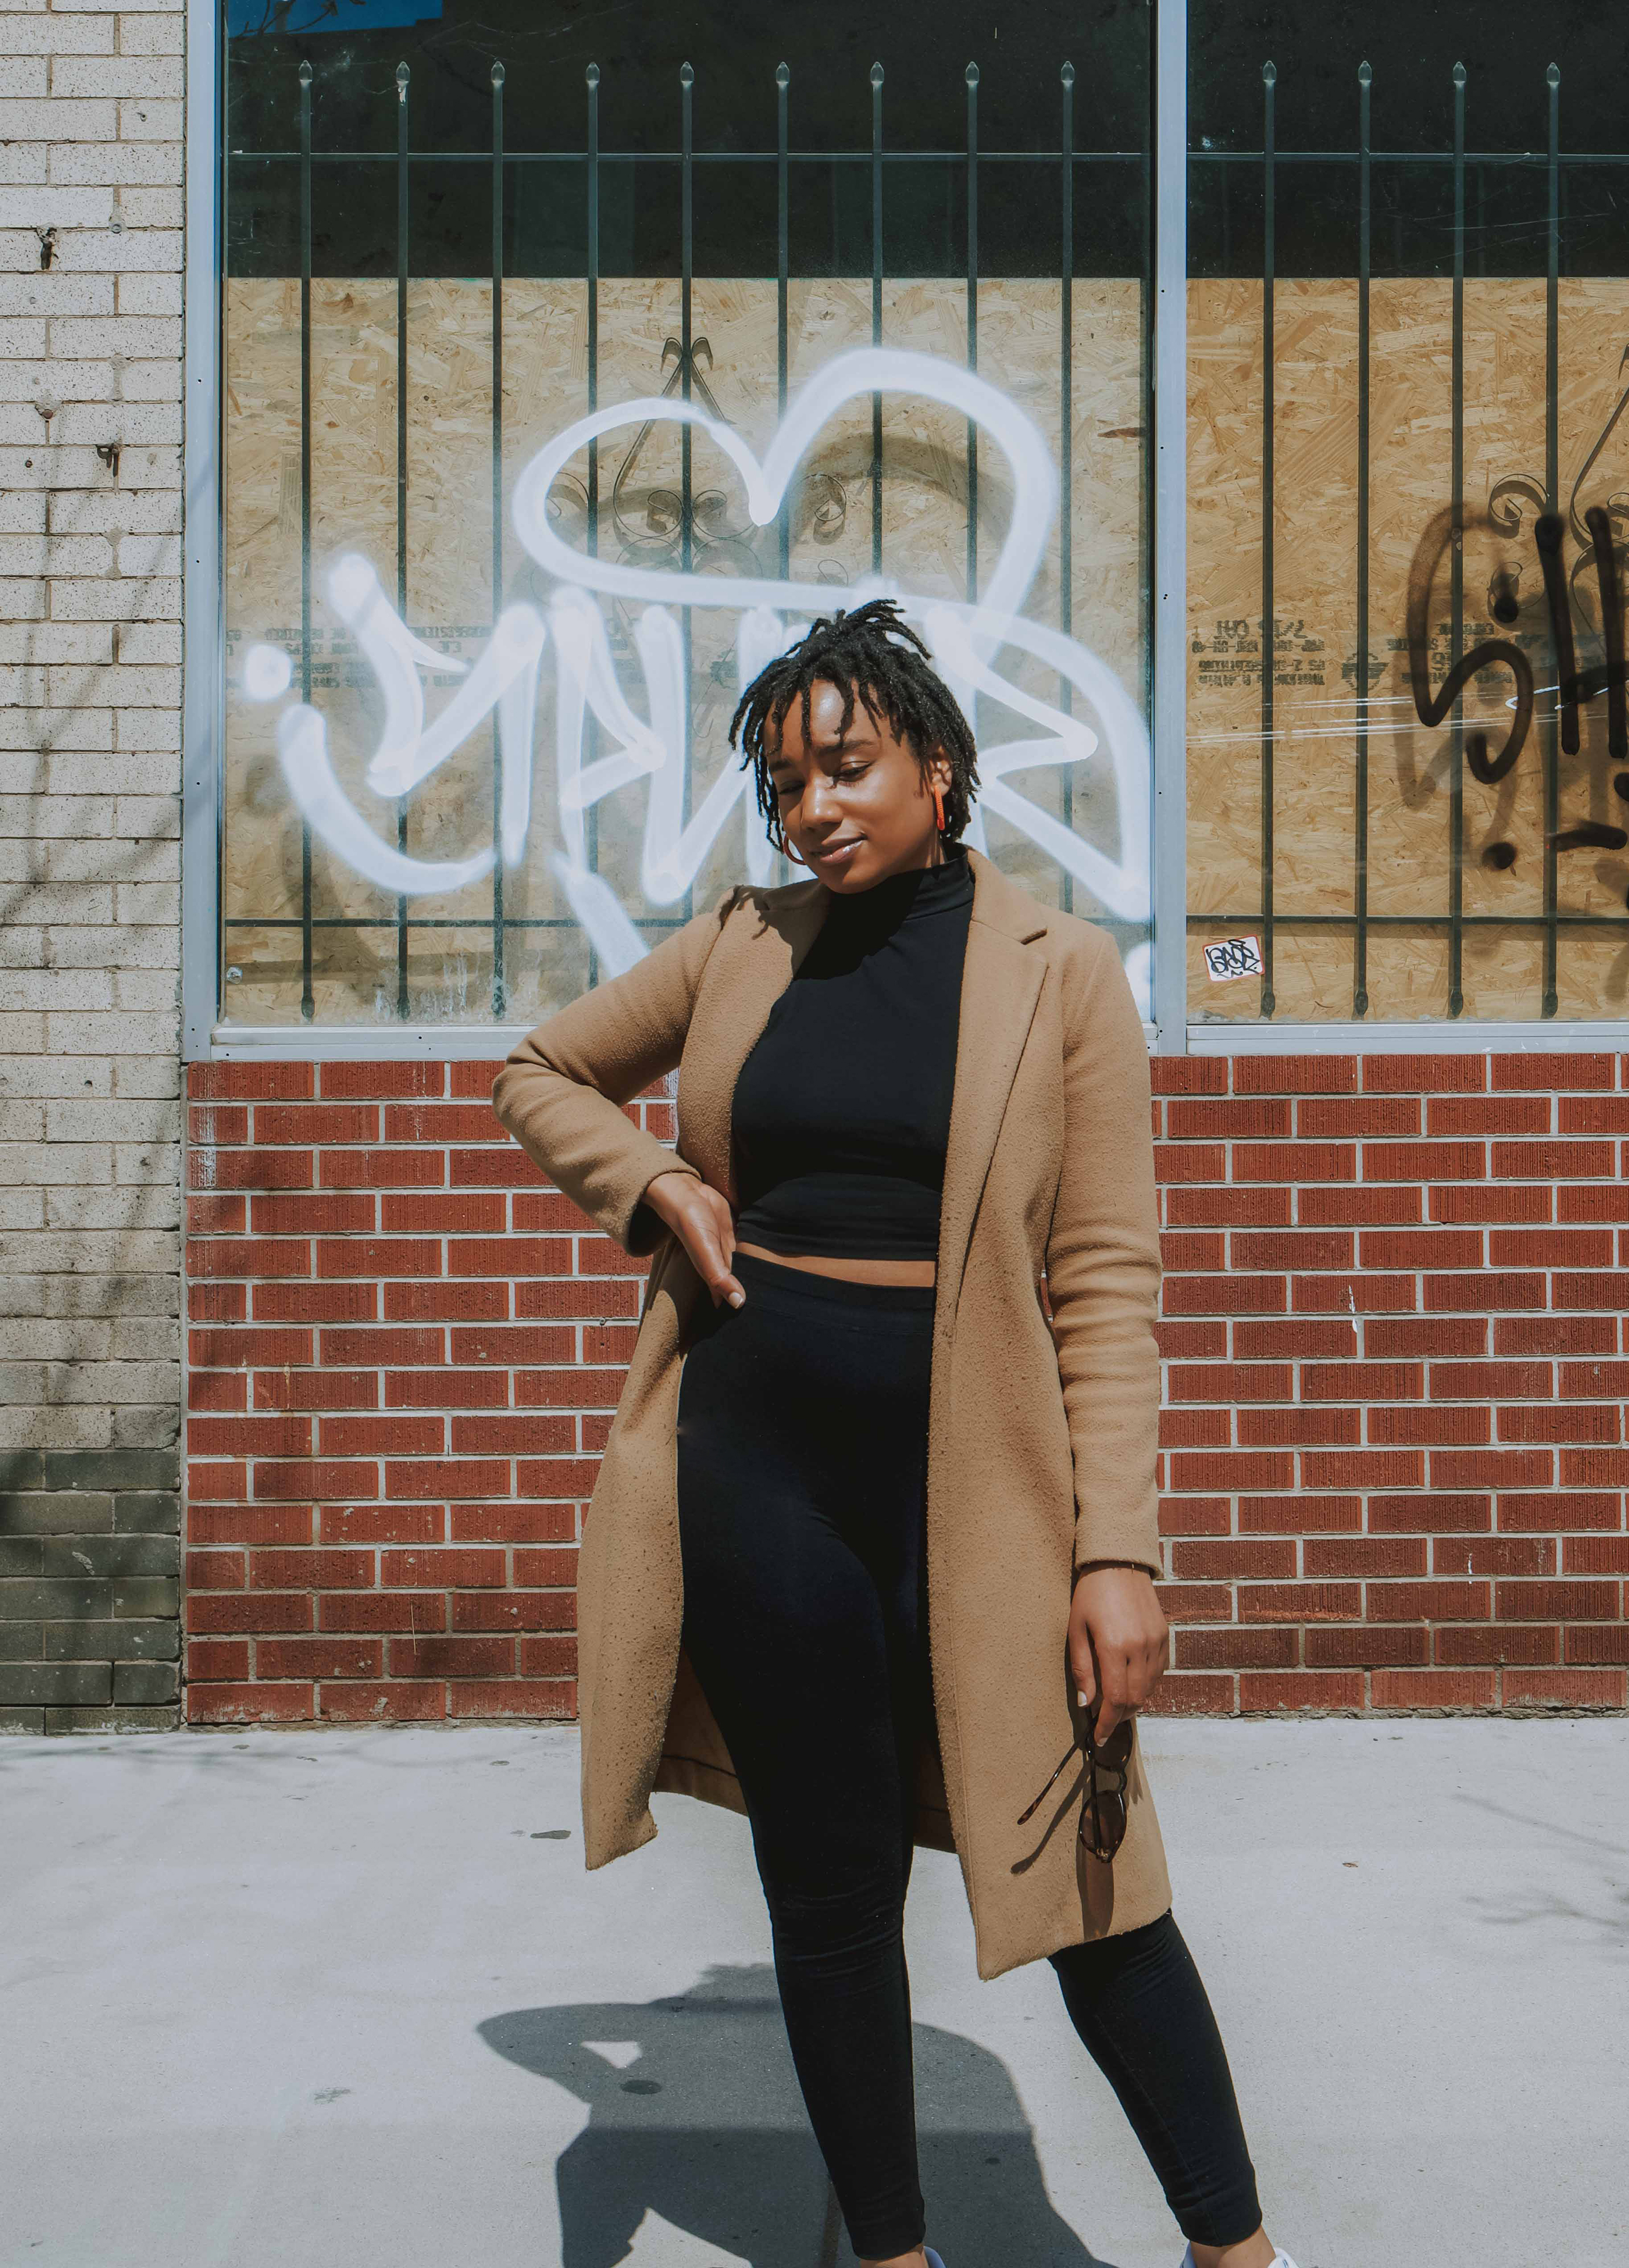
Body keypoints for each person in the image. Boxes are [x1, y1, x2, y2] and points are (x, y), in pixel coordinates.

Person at [493, 599, 1299, 2268]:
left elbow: (1105, 1281)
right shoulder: (743, 941)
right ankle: (892, 2253)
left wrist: (1119, 1550)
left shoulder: (1060, 971)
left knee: (1096, 1889)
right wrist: (648, 1184)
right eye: (788, 783)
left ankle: (1238, 2252)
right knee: (833, 1894)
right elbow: (542, 1068)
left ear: (939, 766)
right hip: (760, 1464)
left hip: (984, 1494)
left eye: (847, 767)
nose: (816, 809)